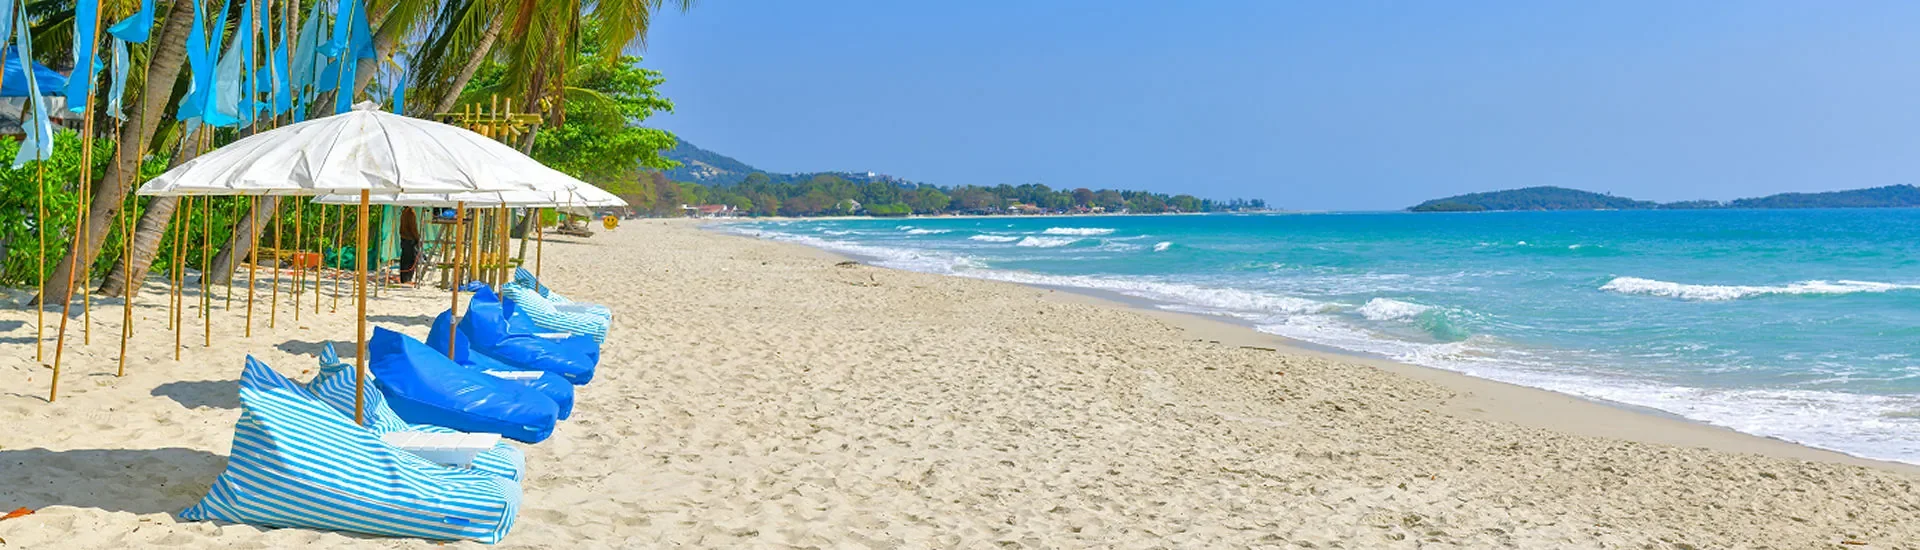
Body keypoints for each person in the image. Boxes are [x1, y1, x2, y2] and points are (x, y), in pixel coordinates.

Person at [398, 207, 420, 283]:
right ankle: (407, 279)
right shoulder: (410, 212)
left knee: (404, 259)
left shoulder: (404, 212)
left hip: (404, 238)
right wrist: (417, 237)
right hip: (410, 239)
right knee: (411, 260)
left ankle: (403, 279)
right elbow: (413, 227)